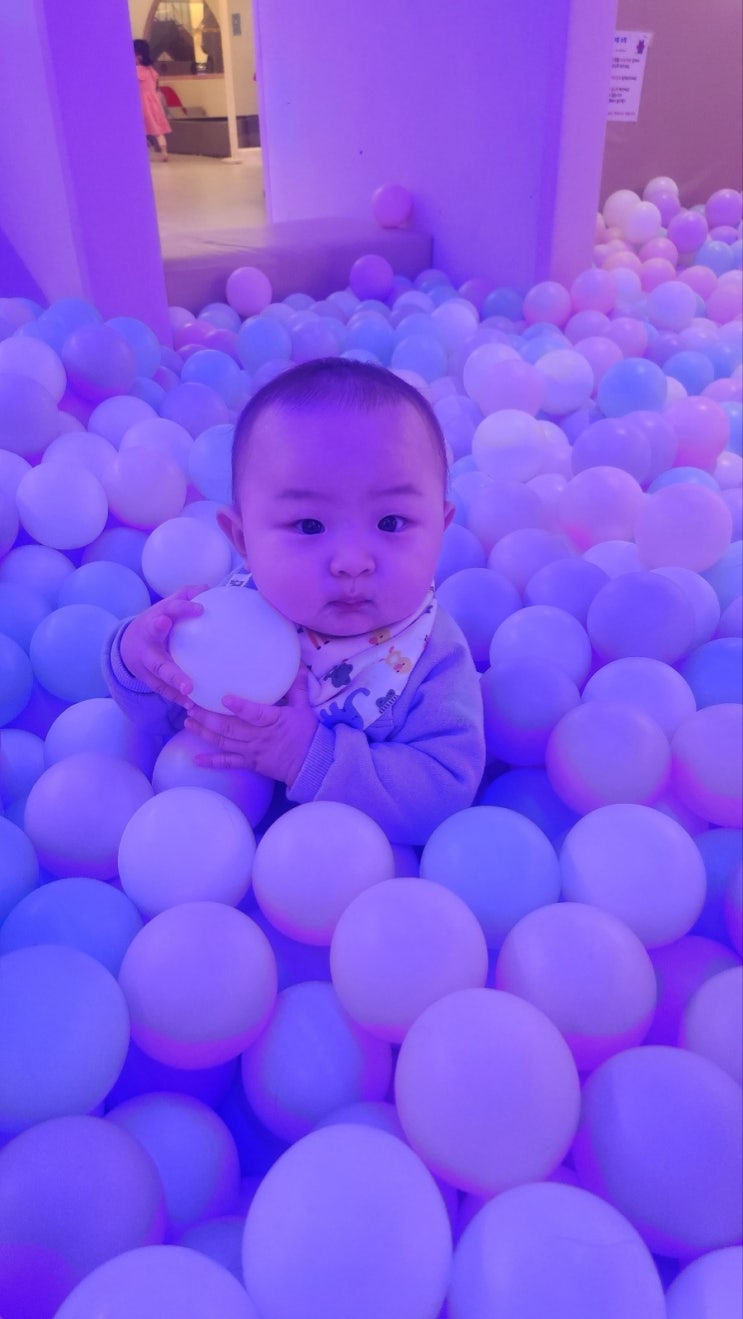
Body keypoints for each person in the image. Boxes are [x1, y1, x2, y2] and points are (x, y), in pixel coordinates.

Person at [104, 359, 485, 844]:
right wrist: (138, 658)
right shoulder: (229, 615)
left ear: (441, 530)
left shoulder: (432, 655)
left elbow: (445, 790)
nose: (352, 561)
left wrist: (307, 756)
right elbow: (164, 718)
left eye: (391, 523)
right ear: (243, 540)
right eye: (309, 525)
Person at [133, 38, 171, 162]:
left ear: (138, 56)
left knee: (140, 128)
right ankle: (164, 151)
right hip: (154, 102)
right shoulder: (151, 70)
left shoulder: (135, 71)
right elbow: (155, 86)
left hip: (141, 102)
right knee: (158, 129)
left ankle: (142, 153)